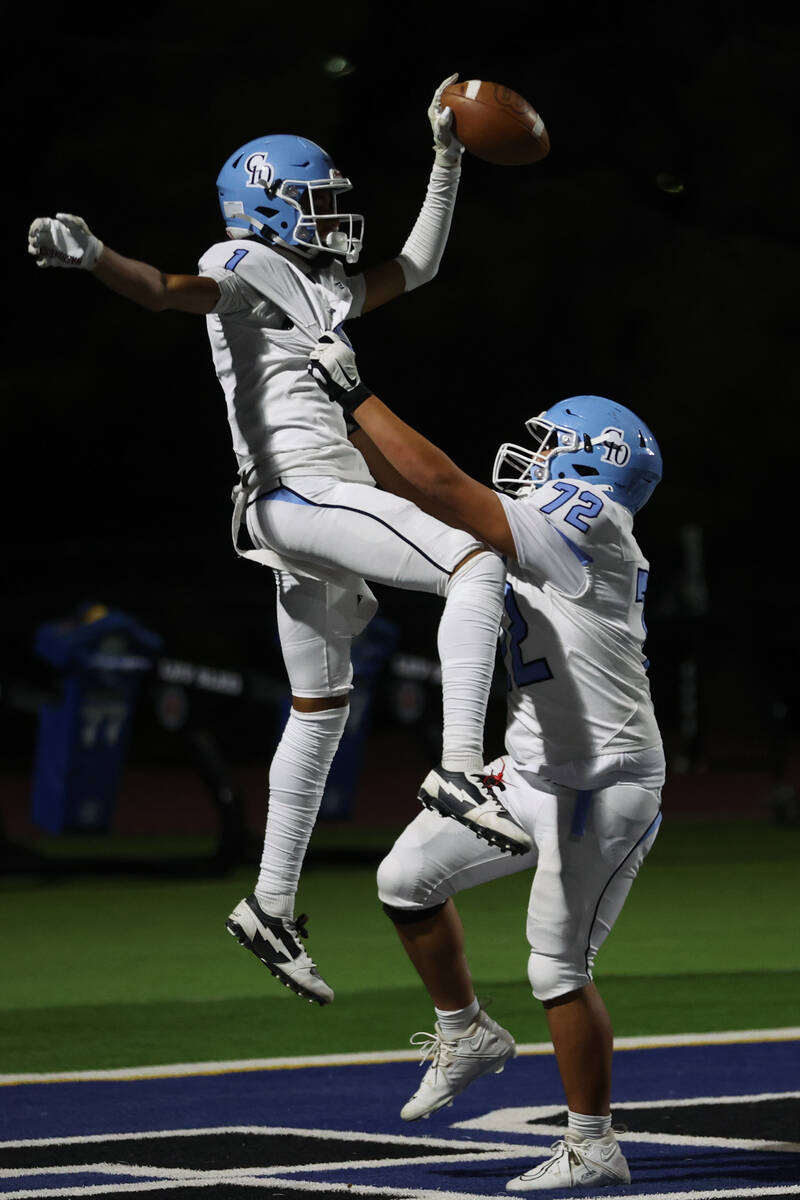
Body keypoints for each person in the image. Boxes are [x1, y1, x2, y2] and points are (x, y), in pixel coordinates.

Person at [26, 76, 533, 1010]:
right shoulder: (246, 261)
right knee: (477, 564)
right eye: (315, 201)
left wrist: (448, 158)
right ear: (262, 205)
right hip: (305, 491)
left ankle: (269, 901)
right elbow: (170, 291)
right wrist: (94, 252)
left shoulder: (323, 279)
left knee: (319, 708)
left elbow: (418, 264)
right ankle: (463, 773)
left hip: (295, 508)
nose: (334, 218)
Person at [308, 332, 665, 1191]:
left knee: (555, 967)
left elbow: (444, 486)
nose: (532, 455)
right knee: (404, 882)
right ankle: (466, 1030)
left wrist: (361, 396)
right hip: (532, 771)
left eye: (550, 444)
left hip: (600, 786)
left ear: (592, 461)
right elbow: (422, 502)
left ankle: (593, 1144)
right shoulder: (551, 526)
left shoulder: (594, 521)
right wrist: (348, 430)